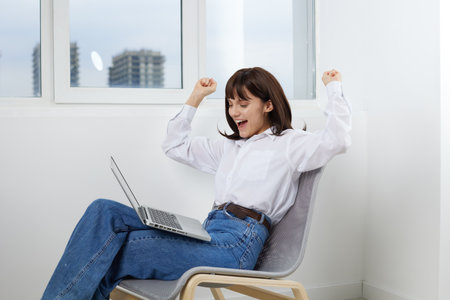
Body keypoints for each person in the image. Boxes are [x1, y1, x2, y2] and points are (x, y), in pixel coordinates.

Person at [42, 67, 351, 300]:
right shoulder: (230, 148)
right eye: (230, 104)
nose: (234, 112)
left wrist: (333, 89)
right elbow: (174, 146)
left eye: (243, 103)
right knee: (103, 211)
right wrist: (195, 98)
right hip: (205, 231)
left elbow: (337, 140)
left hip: (236, 245)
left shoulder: (291, 144)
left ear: (268, 105)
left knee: (110, 252)